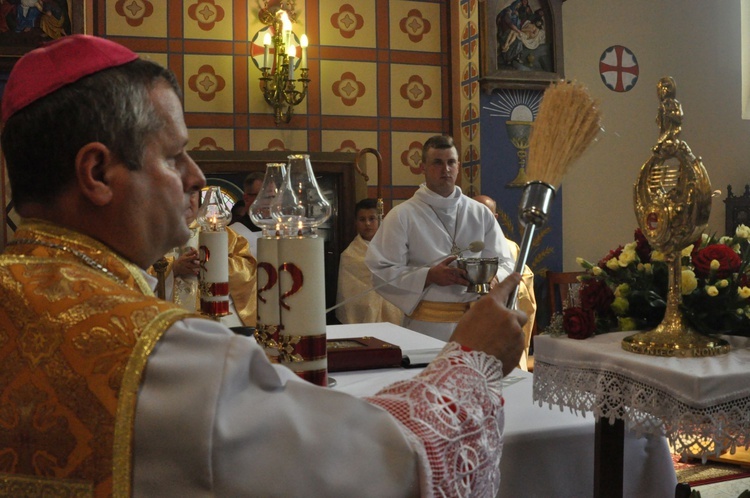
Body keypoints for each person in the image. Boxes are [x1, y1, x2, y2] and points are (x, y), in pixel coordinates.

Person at [0, 35, 527, 496]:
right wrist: (470, 363)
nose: (196, 176)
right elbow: (373, 469)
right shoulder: (165, 355)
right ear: (97, 173)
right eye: (174, 156)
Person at [366, 134, 516, 342]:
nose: (445, 170)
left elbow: (506, 261)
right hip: (426, 329)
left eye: (450, 162)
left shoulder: (480, 213)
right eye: (437, 163)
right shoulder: (403, 215)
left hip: (478, 324)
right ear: (423, 167)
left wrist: (494, 278)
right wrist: (428, 276)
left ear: (458, 166)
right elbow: (380, 270)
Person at [156, 189, 258, 328]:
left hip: (218, 321)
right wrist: (173, 268)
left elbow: (248, 269)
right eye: (179, 192)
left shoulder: (222, 233)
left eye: (191, 193)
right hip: (167, 321)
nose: (187, 200)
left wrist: (215, 263)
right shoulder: (152, 235)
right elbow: (134, 274)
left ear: (198, 198)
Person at [473, 194, 537, 370]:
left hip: (500, 315)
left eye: (485, 214)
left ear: (495, 218)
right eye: (475, 213)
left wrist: (497, 281)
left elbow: (525, 282)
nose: (480, 219)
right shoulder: (461, 244)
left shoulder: (509, 247)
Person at [335, 198, 404, 325]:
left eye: (372, 219)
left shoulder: (396, 248)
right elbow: (349, 293)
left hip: (394, 308)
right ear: (355, 222)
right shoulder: (349, 255)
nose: (367, 223)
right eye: (362, 219)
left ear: (380, 220)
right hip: (363, 311)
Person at [229, 171, 265, 256]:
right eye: (262, 195)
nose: (268, 202)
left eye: (272, 196)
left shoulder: (283, 232)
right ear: (246, 198)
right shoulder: (233, 233)